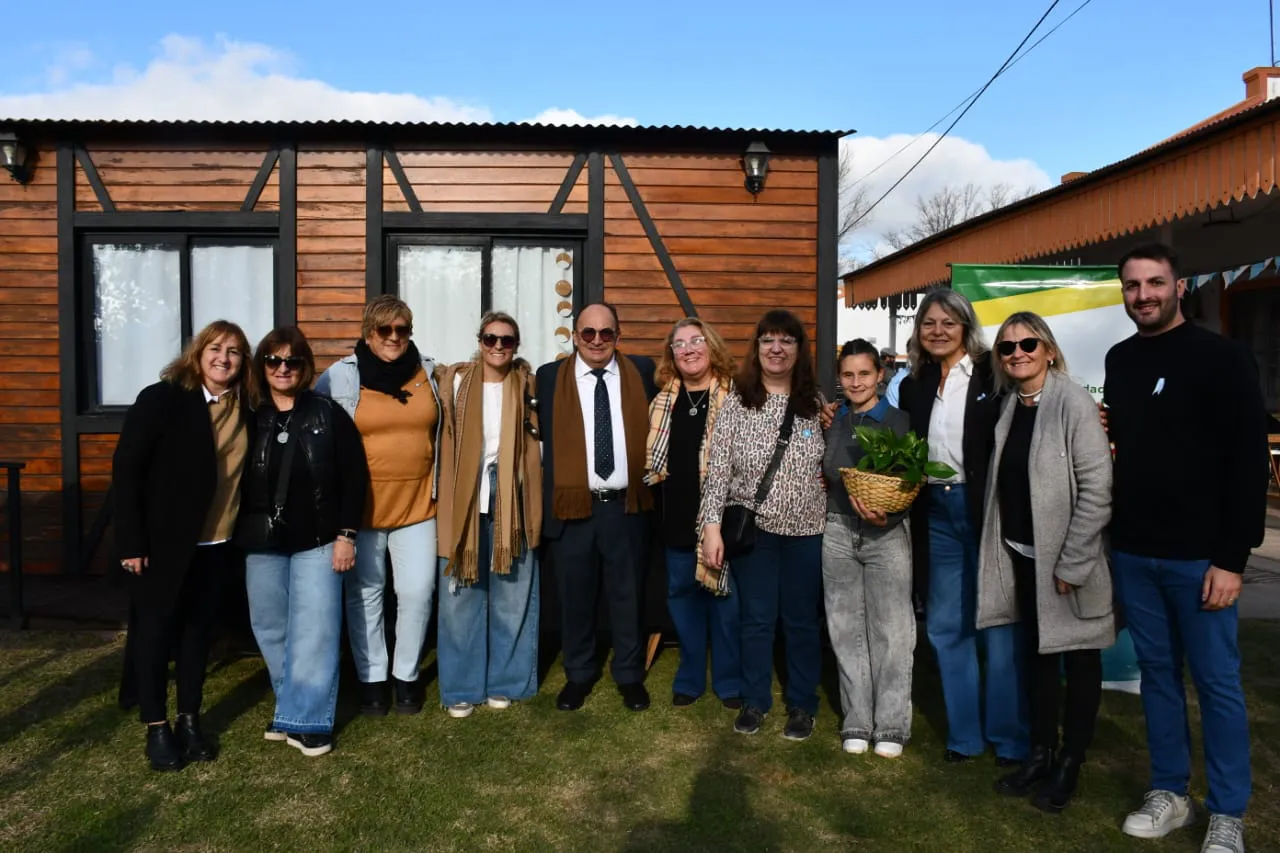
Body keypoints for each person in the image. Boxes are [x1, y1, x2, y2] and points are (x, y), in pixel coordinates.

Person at [1104, 243, 1267, 853]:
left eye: (1153, 283)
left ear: (1178, 287)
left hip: (1202, 558)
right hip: (1135, 552)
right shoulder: (1119, 360)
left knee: (1217, 685)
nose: (1142, 295)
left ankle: (1228, 814)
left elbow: (1249, 466)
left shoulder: (1223, 359)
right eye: (1131, 286)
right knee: (1159, 680)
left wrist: (1232, 559)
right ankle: (1170, 792)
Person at [975, 312, 1114, 812]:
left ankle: (1070, 763)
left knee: (1079, 664)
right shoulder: (1010, 405)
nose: (1018, 353)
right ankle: (1040, 753)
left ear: (1049, 350)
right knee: (1036, 662)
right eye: (1008, 347)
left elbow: (1098, 489)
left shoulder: (1072, 403)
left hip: (1068, 567)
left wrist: (1072, 564)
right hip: (1023, 557)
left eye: (1028, 344)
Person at [112, 320, 254, 771]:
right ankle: (157, 727)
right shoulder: (163, 399)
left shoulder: (245, 406)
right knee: (155, 636)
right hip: (162, 545)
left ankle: (189, 720)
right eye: (215, 348)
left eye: (233, 351)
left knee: (196, 636)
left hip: (218, 542)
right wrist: (131, 541)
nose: (223, 358)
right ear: (198, 352)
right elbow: (127, 472)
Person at [897, 289, 1028, 765]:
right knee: (947, 627)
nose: (937, 331)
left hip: (986, 512)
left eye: (948, 323)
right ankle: (965, 736)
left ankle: (1010, 738)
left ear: (966, 327)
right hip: (935, 512)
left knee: (997, 625)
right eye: (929, 322)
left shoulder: (994, 373)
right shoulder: (914, 383)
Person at [238, 327, 368, 757]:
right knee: (271, 626)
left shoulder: (327, 413)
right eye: (273, 361)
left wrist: (346, 535)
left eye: (291, 361)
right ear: (262, 366)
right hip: (262, 540)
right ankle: (291, 705)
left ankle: (310, 720)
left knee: (314, 629)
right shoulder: (248, 415)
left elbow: (354, 479)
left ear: (304, 366)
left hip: (318, 538)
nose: (282, 369)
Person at [700, 309, 827, 741]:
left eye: (786, 341)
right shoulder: (737, 402)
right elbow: (717, 471)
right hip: (755, 532)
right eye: (768, 340)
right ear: (756, 349)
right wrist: (711, 527)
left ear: (798, 350)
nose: (777, 348)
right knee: (756, 620)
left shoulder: (815, 404)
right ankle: (755, 700)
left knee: (801, 622)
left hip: (807, 532)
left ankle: (802, 705)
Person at [315, 295, 442, 716]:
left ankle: (406, 676)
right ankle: (372, 678)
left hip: (418, 505)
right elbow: (318, 432)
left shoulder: (429, 373)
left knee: (417, 591)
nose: (393, 337)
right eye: (384, 330)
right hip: (362, 512)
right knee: (365, 594)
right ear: (368, 333)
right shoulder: (339, 378)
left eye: (401, 329)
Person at [535, 303, 657, 712]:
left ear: (618, 336)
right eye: (588, 333)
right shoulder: (550, 378)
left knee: (628, 595)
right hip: (574, 508)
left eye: (606, 333)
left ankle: (629, 675)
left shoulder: (643, 371)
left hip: (626, 506)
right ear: (575, 337)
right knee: (575, 597)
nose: (597, 340)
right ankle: (579, 675)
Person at [435, 312, 543, 718]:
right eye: (490, 338)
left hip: (511, 495)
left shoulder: (528, 384)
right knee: (461, 597)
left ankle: (507, 681)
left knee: (512, 596)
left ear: (516, 345)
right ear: (479, 340)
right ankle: (462, 686)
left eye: (507, 340)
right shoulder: (455, 382)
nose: (498, 346)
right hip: (465, 496)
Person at [643, 317, 742, 709]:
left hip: (721, 518)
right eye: (679, 344)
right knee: (682, 596)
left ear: (711, 345)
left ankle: (729, 679)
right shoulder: (663, 400)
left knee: (724, 600)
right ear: (672, 355)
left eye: (696, 341)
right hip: (676, 516)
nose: (688, 349)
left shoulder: (735, 397)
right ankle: (690, 676)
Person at [823, 340, 915, 758]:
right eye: (848, 374)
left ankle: (892, 724)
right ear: (840, 379)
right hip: (839, 531)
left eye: (864, 373)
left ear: (880, 374)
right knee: (846, 630)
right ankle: (857, 720)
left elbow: (912, 482)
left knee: (892, 632)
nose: (856, 381)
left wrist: (889, 518)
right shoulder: (837, 421)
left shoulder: (898, 421)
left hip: (886, 535)